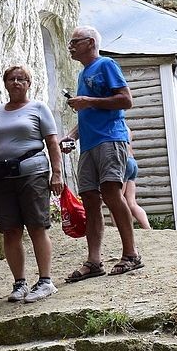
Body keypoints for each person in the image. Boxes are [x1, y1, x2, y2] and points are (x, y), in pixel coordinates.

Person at [60, 25, 142, 280]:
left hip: (110, 138)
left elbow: (126, 100)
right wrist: (72, 136)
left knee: (111, 192)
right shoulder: (83, 74)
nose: (71, 46)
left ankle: (131, 254)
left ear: (91, 43)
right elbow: (88, 112)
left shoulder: (106, 64)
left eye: (75, 41)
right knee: (89, 198)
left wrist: (88, 101)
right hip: (89, 144)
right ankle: (94, 261)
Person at [0, 66, 64, 303]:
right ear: (5, 83)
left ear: (29, 84)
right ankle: (19, 283)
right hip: (2, 178)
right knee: (10, 230)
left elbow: (52, 142)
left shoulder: (38, 108)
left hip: (33, 173)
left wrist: (57, 173)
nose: (16, 82)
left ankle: (45, 281)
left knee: (37, 226)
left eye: (21, 79)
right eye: (12, 79)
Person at [123, 126, 151, 230]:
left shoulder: (117, 126)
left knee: (116, 200)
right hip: (133, 162)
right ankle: (147, 228)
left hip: (124, 162)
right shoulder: (128, 129)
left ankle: (120, 229)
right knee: (132, 203)